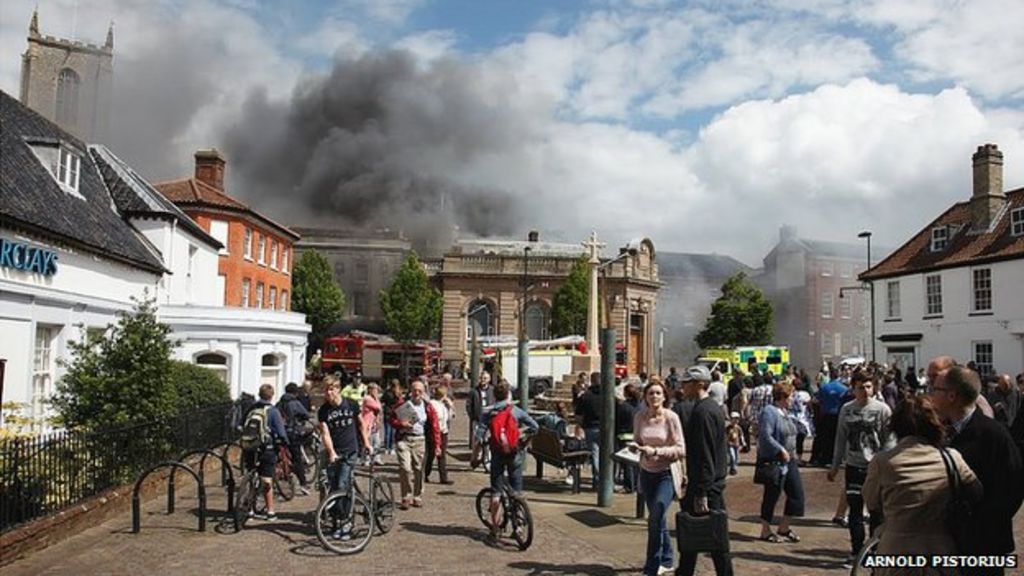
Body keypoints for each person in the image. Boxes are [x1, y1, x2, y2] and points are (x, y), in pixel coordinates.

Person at [861, 395, 982, 570]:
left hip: (895, 549)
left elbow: (872, 502)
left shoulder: (882, 462)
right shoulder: (951, 458)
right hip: (939, 549)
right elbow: (976, 492)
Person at [931, 365, 1023, 574]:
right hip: (946, 543)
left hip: (983, 545)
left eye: (935, 388)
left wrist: (976, 520)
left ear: (952, 395)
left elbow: (1012, 488)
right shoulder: (939, 432)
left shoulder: (993, 435)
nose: (931, 394)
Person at [827, 372, 894, 566]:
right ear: (853, 389)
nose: (864, 391)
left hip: (875, 467)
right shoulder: (847, 410)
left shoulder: (882, 409)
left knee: (876, 511)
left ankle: (875, 551)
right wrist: (834, 465)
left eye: (868, 387)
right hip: (854, 466)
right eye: (860, 387)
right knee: (855, 510)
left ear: (873, 388)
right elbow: (840, 438)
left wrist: (886, 464)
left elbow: (888, 440)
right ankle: (857, 550)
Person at [676, 365, 734, 576]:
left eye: (687, 383)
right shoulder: (708, 408)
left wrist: (702, 491)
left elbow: (706, 454)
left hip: (707, 486)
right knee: (694, 537)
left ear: (699, 384)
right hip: (708, 483)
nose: (683, 387)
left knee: (715, 540)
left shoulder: (703, 412)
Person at [633, 379, 686, 576]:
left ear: (664, 396)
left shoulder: (671, 418)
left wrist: (656, 451)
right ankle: (667, 559)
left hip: (666, 473)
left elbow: (681, 449)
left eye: (658, 393)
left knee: (655, 517)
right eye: (650, 393)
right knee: (658, 519)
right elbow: (638, 440)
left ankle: (652, 566)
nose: (654, 397)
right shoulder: (639, 417)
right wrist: (635, 447)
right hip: (647, 473)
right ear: (645, 397)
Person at [479, 379, 538, 539]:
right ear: (509, 395)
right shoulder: (516, 411)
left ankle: (496, 528)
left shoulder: (488, 412)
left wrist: (476, 453)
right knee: (517, 491)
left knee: (496, 491)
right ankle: (518, 527)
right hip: (515, 454)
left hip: (497, 454)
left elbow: (480, 433)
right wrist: (521, 438)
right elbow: (535, 427)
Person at [318, 377, 371, 540]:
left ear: (338, 389)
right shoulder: (323, 411)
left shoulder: (351, 404)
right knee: (333, 487)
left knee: (342, 484)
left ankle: (347, 523)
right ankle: (338, 520)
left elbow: (361, 424)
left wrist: (367, 442)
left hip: (350, 450)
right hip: (335, 452)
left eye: (332, 389)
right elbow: (325, 433)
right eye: (326, 390)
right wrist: (331, 452)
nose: (329, 393)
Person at [756, 381, 805, 543]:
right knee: (772, 495)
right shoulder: (770, 412)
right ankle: (765, 529)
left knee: (796, 494)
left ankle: (784, 526)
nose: (793, 400)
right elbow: (765, 435)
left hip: (789, 460)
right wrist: (780, 449)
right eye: (791, 396)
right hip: (775, 461)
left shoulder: (786, 412)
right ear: (783, 396)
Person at [390, 379, 442, 509]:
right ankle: (406, 496)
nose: (417, 393)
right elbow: (391, 419)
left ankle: (417, 495)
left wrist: (437, 445)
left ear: (423, 392)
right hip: (404, 439)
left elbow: (435, 426)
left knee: (419, 469)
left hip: (420, 440)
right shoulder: (402, 404)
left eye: (420, 390)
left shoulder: (427, 406)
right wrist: (400, 424)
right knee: (405, 468)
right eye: (414, 390)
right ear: (410, 391)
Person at [241, 384, 289, 521]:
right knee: (266, 479)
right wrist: (284, 442)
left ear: (259, 394)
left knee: (251, 475)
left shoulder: (251, 408)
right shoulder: (273, 411)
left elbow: (241, 424)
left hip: (250, 446)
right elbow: (281, 432)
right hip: (266, 448)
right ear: (272, 395)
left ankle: (249, 509)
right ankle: (270, 512)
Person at [276, 382, 312, 493]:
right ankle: (303, 484)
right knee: (297, 459)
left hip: (280, 433)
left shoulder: (279, 403)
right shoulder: (295, 403)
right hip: (292, 434)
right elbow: (306, 414)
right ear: (295, 392)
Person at [812, 369, 847, 467]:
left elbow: (817, 401)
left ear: (830, 376)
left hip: (826, 416)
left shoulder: (824, 388)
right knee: (838, 438)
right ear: (838, 375)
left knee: (826, 438)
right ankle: (837, 459)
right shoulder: (844, 388)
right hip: (839, 415)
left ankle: (826, 458)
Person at [575, 371, 603, 483]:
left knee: (595, 454)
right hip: (606, 428)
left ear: (591, 381)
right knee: (606, 454)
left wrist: (579, 425)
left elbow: (579, 415)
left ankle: (598, 479)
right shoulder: (608, 395)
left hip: (590, 427)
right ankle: (606, 478)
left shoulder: (585, 396)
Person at [424, 384, 453, 484]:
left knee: (442, 455)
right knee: (431, 454)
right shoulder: (432, 404)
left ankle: (443, 477)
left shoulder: (444, 405)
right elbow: (435, 418)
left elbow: (449, 417)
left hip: (443, 431)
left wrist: (450, 407)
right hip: (433, 431)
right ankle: (425, 474)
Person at [466, 371, 495, 456]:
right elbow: (469, 405)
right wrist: (472, 416)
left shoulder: (492, 390)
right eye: (481, 378)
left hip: (490, 419)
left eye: (485, 378)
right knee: (477, 439)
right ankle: (476, 456)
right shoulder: (474, 391)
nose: (483, 380)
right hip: (477, 419)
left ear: (489, 380)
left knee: (488, 439)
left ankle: (487, 457)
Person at [360, 382, 384, 465]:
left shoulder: (374, 398)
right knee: (368, 441)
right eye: (374, 389)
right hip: (367, 423)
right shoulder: (367, 399)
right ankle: (366, 459)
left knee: (377, 441)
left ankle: (376, 458)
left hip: (374, 423)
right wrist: (377, 398)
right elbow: (378, 407)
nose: (376, 391)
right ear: (370, 390)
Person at [381, 379, 402, 455]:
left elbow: (382, 400)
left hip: (387, 413)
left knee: (387, 432)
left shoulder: (387, 392)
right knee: (393, 432)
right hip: (395, 414)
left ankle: (386, 448)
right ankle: (392, 448)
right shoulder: (399, 393)